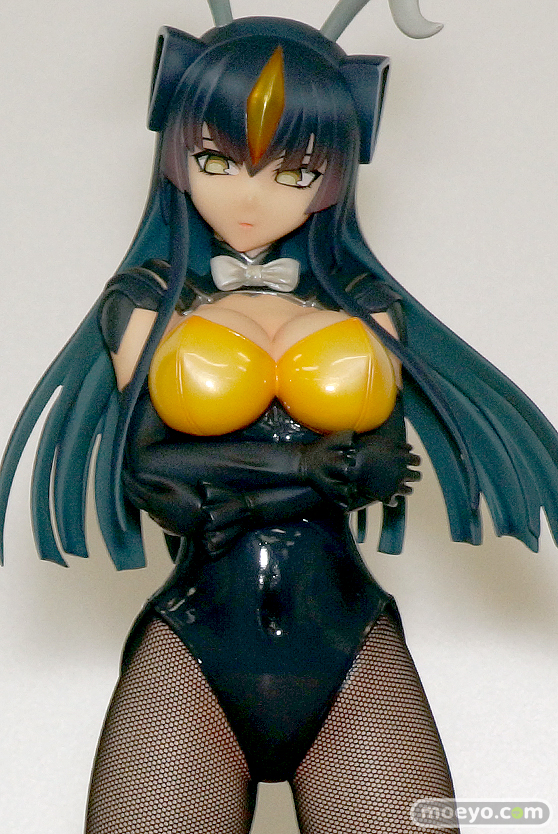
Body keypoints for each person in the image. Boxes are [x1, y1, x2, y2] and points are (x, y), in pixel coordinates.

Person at [2, 2, 558, 833]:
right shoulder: (148, 301)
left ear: (335, 175)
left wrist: (253, 485)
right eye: (217, 160)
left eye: (293, 173)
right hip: (196, 644)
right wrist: (305, 470)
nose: (250, 196)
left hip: (347, 641)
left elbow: (381, 466)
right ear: (176, 154)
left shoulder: (362, 303)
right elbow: (148, 472)